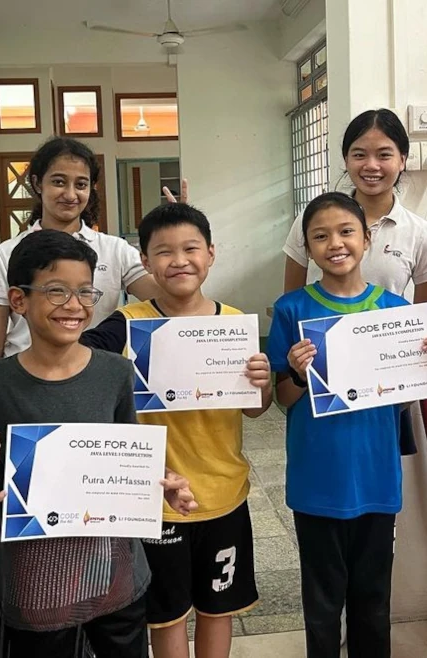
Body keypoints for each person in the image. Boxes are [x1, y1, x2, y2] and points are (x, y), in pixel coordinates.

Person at [0, 229, 198, 658]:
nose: (74, 305)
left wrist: (165, 482)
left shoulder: (115, 373)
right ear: (18, 300)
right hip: (37, 579)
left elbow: (130, 454)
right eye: (56, 291)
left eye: (86, 292)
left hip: (114, 568)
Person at [266, 192, 427, 657]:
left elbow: (407, 395)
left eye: (346, 231)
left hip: (376, 476)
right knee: (322, 602)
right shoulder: (291, 310)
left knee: (372, 600)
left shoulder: (395, 311)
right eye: (320, 236)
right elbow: (282, 399)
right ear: (308, 248)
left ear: (367, 239)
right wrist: (296, 373)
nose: (335, 243)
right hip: (316, 478)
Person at [80, 204, 272, 658]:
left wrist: (262, 383)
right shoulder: (127, 325)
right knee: (166, 615)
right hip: (157, 500)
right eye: (164, 251)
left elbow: (255, 411)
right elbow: (78, 361)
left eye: (191, 249)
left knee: (218, 608)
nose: (179, 260)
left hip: (225, 493)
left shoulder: (234, 324)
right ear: (145, 261)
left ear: (211, 254)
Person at [284, 109, 427, 459]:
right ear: (346, 159)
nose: (371, 165)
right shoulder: (311, 220)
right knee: (323, 464)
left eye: (384, 154)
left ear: (402, 159)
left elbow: (420, 323)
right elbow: (292, 304)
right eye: (359, 154)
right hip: (320, 378)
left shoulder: (422, 235)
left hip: (381, 381)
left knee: (377, 469)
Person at [0, 137, 178, 367]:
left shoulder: (115, 250)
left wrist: (176, 235)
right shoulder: (6, 254)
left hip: (96, 375)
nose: (71, 195)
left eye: (81, 185)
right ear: (38, 183)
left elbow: (170, 301)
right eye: (59, 182)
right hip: (25, 379)